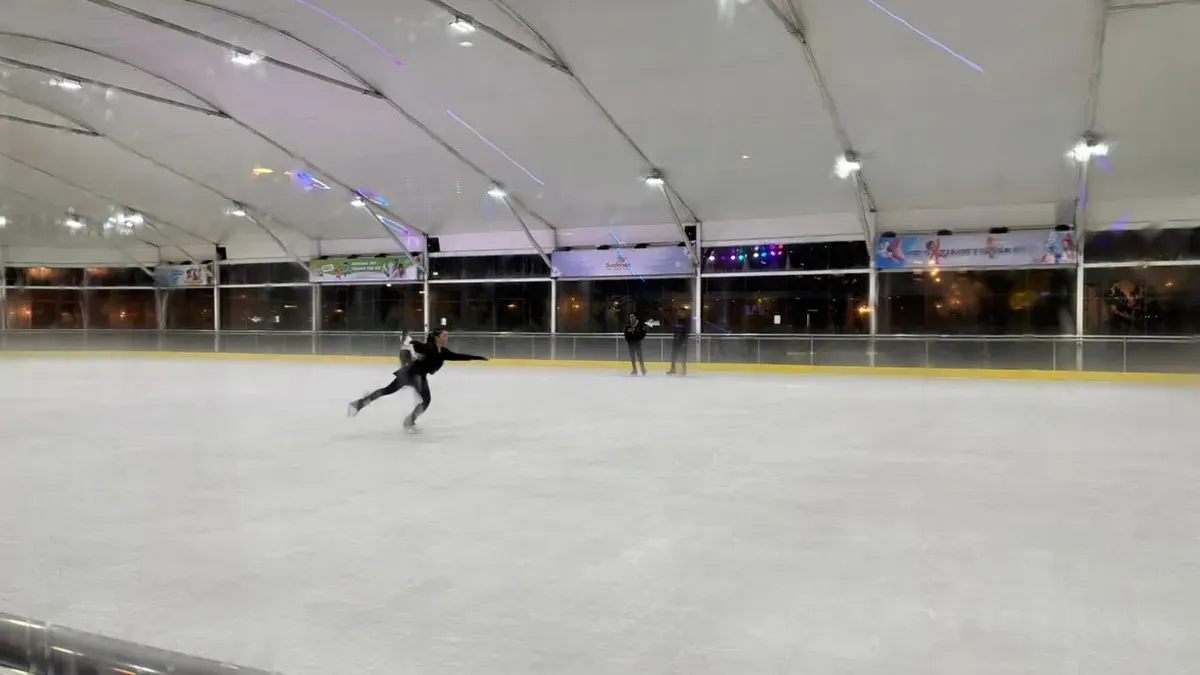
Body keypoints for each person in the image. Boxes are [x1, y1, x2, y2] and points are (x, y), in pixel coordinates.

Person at [347, 328, 488, 430]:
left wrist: (477, 358)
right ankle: (359, 404)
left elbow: (458, 356)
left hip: (418, 375)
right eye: (445, 335)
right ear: (437, 337)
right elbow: (416, 346)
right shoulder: (429, 347)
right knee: (388, 391)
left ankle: (409, 420)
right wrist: (410, 342)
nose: (447, 338)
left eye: (447, 336)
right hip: (411, 374)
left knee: (424, 400)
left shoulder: (443, 352)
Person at [666, 308, 690, 376]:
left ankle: (684, 370)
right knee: (673, 356)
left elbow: (686, 333)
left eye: (680, 312)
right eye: (678, 312)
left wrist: (684, 342)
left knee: (683, 357)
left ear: (683, 313)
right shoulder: (678, 321)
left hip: (682, 343)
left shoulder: (686, 321)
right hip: (676, 342)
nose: (678, 314)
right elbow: (675, 331)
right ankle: (673, 369)